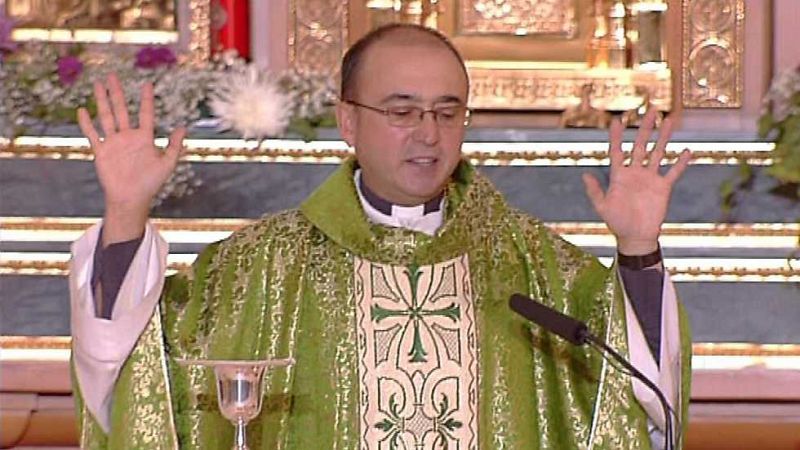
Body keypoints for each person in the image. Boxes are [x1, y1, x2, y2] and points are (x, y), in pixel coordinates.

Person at [69, 24, 692, 449]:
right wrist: (125, 214)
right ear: (347, 121)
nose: (428, 132)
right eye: (401, 111)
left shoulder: (533, 268)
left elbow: (640, 396)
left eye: (448, 112)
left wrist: (639, 254)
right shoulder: (259, 269)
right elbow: (138, 373)